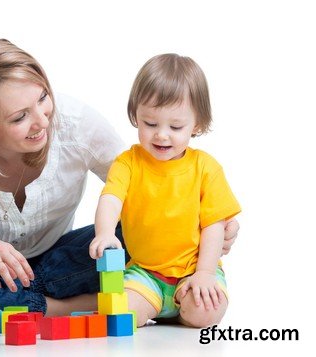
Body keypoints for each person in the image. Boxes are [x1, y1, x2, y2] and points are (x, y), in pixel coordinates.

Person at [0, 39, 239, 322]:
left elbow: (144, 189)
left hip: (60, 265)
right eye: (19, 116)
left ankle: (19, 306)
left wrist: (211, 223)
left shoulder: (75, 124)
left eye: (43, 98)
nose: (42, 120)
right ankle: (68, 307)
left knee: (123, 237)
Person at [89, 54, 241, 328]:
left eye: (175, 126)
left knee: (205, 313)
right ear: (136, 115)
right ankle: (152, 306)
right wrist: (105, 233)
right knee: (117, 314)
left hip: (194, 271)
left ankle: (183, 309)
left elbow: (214, 226)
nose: (161, 135)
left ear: (197, 124)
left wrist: (205, 273)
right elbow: (110, 199)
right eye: (150, 124)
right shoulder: (128, 163)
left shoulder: (206, 168)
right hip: (145, 274)